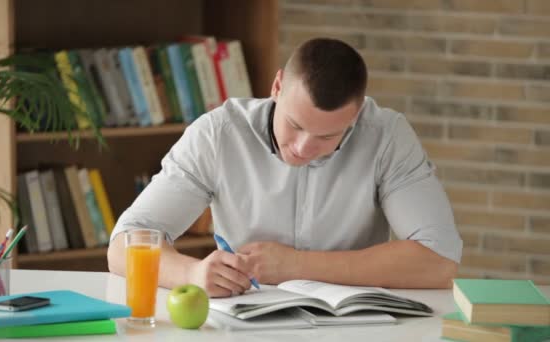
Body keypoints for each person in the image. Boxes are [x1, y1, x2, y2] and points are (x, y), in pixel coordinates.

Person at [108, 38, 462, 298]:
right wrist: (192, 272)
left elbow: (440, 260)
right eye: (295, 124)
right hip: (244, 320)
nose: (304, 147)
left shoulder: (387, 135)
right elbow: (125, 244)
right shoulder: (217, 134)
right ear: (277, 87)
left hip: (355, 325)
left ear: (355, 117)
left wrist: (296, 265)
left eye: (326, 136)